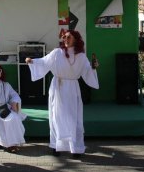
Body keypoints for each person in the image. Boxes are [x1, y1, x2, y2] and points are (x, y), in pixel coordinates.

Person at [25, 30, 99, 158]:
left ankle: (75, 148)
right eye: (64, 37)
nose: (65, 39)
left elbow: (88, 71)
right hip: (58, 88)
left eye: (69, 37)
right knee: (56, 117)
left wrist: (93, 67)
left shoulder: (81, 56)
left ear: (76, 39)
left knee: (74, 118)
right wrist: (32, 61)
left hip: (72, 89)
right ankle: (56, 146)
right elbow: (44, 62)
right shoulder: (56, 53)